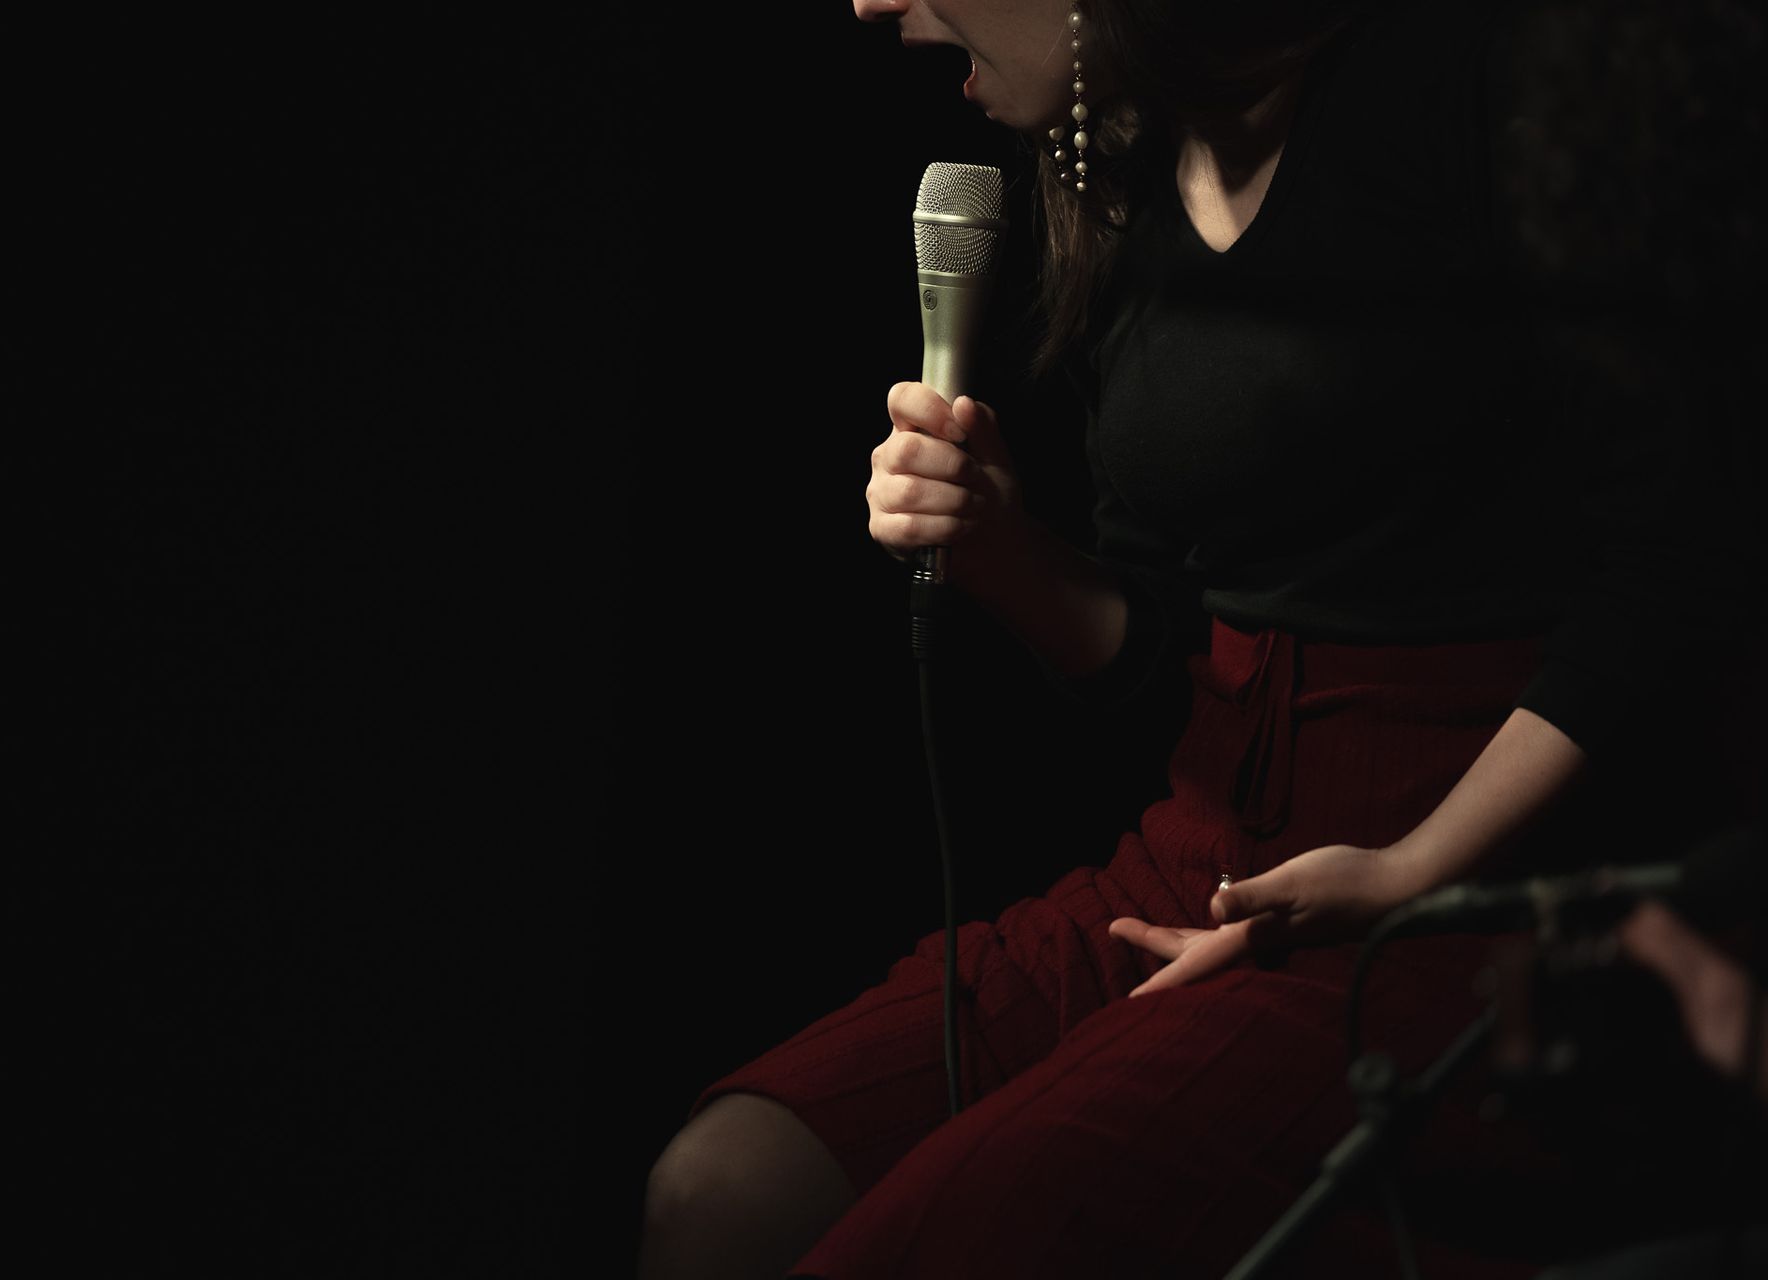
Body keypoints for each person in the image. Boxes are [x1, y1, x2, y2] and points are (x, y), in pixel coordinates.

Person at [639, 1, 1761, 1276]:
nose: (869, 2)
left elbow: (1682, 560)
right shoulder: (1107, 171)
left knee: (966, 1229)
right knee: (721, 1189)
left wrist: (1412, 872)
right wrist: (1010, 555)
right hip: (1208, 860)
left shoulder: (1465, 79)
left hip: (1477, 882)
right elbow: (1168, 643)